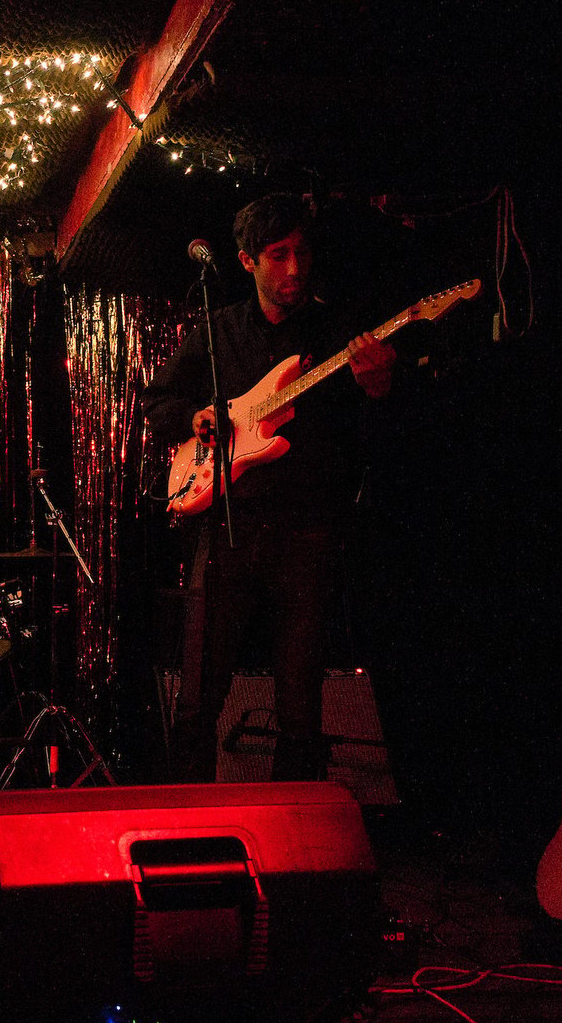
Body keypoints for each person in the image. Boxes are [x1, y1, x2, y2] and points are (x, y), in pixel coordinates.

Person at [143, 194, 396, 783]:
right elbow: (157, 400)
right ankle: (186, 826)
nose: (294, 269)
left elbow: (373, 436)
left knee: (302, 703)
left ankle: (293, 845)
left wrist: (380, 388)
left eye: (302, 254)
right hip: (227, 523)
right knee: (199, 697)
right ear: (246, 260)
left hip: (308, 529)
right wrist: (196, 418)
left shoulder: (338, 333)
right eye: (278, 255)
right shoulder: (219, 330)